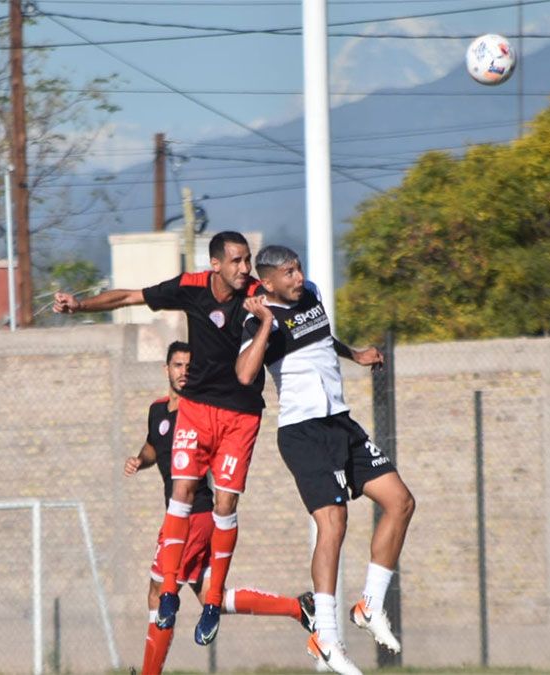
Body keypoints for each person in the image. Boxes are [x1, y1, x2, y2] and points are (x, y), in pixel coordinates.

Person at [54, 231, 265, 646]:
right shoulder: (191, 287)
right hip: (197, 410)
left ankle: (212, 603)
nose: (245, 268)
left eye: (248, 260)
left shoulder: (257, 294)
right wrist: (80, 305)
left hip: (239, 414)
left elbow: (300, 315)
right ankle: (169, 592)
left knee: (225, 504)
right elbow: (129, 296)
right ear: (215, 264)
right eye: (237, 261)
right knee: (180, 493)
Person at [236, 245, 416, 675]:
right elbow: (244, 373)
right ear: (268, 282)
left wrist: (354, 354)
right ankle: (327, 637)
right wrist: (266, 323)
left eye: (298, 269)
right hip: (303, 432)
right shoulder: (257, 320)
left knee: (400, 501)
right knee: (333, 523)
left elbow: (319, 337)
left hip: (340, 424)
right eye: (288, 273)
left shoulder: (311, 294)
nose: (299, 277)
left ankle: (369, 606)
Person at [127, 341, 313, 674]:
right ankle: (298, 608)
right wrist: (140, 460)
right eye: (178, 365)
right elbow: (154, 444)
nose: (184, 372)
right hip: (182, 517)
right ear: (166, 369)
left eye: (190, 366)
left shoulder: (199, 412)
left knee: (158, 590)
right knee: (212, 596)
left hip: (193, 515)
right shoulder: (157, 410)